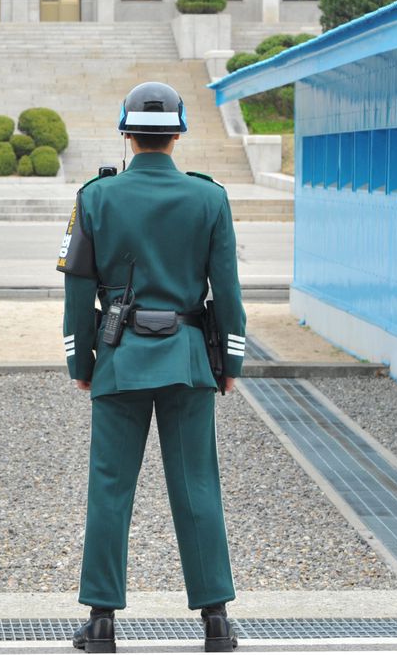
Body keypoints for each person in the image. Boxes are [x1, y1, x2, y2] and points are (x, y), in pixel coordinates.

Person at [57, 82, 245, 654]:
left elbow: (76, 289)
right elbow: (229, 292)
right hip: (189, 361)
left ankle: (102, 622)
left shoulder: (95, 197)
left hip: (119, 360)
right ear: (179, 133)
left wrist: (81, 361)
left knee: (110, 489)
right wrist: (230, 358)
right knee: (196, 486)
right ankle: (215, 620)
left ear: (125, 132)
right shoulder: (210, 199)